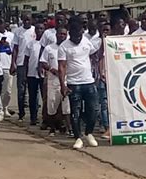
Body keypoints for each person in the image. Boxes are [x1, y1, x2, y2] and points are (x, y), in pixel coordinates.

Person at [58, 19, 100, 149]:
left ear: (82, 32)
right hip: (73, 83)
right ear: (70, 33)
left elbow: (94, 53)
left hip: (89, 82)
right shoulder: (64, 46)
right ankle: (78, 138)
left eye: (79, 35)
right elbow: (62, 67)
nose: (77, 38)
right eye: (75, 36)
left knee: (93, 110)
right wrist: (63, 85)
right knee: (75, 112)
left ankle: (89, 133)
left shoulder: (86, 41)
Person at [40, 26, 71, 137]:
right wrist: (51, 69)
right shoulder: (49, 48)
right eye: (60, 34)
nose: (62, 36)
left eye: (64, 34)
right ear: (56, 35)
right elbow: (43, 62)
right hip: (53, 81)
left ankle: (69, 129)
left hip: (66, 80)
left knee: (66, 106)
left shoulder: (69, 47)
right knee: (51, 104)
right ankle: (52, 129)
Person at [10, 12, 35, 121]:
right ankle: (21, 113)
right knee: (21, 90)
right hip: (21, 64)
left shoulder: (36, 30)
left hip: (33, 64)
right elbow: (15, 48)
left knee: (33, 91)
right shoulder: (18, 31)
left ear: (31, 20)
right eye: (24, 20)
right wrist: (13, 63)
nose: (26, 22)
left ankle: (34, 116)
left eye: (28, 19)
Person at [24, 23, 45, 125]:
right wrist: (25, 73)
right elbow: (26, 60)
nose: (39, 30)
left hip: (43, 74)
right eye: (37, 28)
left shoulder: (46, 45)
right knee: (32, 97)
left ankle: (45, 118)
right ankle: (33, 117)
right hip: (31, 73)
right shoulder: (30, 44)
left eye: (41, 28)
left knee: (44, 97)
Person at [0, 24, 15, 122]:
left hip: (8, 65)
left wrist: (13, 64)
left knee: (7, 91)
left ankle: (5, 107)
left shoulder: (11, 35)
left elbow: (13, 51)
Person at [96, 22, 111, 139]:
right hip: (102, 78)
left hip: (114, 78)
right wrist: (101, 73)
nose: (105, 32)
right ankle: (106, 128)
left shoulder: (116, 43)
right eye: (104, 30)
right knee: (104, 105)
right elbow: (99, 58)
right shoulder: (98, 43)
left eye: (107, 30)